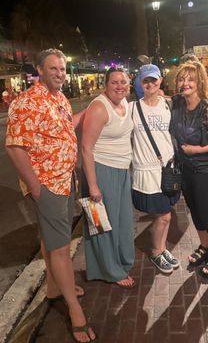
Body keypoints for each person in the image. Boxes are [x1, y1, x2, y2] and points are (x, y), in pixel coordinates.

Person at [5, 48, 96, 343]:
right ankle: (74, 310)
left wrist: (90, 110)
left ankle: (55, 288)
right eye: (54, 68)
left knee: (50, 238)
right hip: (49, 185)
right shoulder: (25, 102)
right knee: (60, 248)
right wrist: (36, 187)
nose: (60, 73)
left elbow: (62, 129)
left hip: (66, 180)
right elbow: (15, 147)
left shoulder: (58, 98)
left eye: (62, 69)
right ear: (40, 70)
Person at [169, 62, 208, 279]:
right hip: (186, 168)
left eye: (190, 79)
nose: (185, 83)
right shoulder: (176, 103)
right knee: (194, 211)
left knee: (206, 212)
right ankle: (204, 248)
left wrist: (198, 150)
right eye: (181, 79)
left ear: (199, 82)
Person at [81, 67, 135, 288]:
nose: (120, 86)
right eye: (114, 82)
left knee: (121, 221)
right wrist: (93, 185)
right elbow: (85, 148)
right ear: (106, 84)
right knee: (102, 223)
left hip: (122, 170)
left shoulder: (125, 103)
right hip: (102, 171)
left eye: (123, 82)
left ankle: (121, 260)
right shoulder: (99, 107)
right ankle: (109, 270)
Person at [129, 64, 180, 274]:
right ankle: (156, 251)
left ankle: (162, 248)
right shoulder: (132, 108)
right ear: (140, 83)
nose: (150, 84)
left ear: (160, 80)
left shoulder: (168, 105)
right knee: (164, 215)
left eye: (153, 79)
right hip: (146, 171)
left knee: (165, 214)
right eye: (145, 80)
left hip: (167, 170)